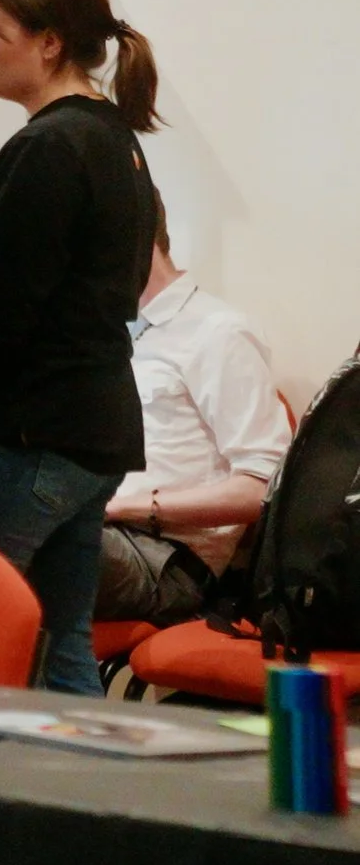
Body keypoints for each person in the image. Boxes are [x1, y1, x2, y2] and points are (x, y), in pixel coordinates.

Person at [0, 0, 159, 695]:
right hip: (87, 429)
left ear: (49, 42)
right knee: (61, 649)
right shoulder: (112, 138)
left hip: (25, 434)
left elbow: (2, 310)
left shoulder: (52, 146)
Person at [95, 190, 289, 626]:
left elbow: (265, 488)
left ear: (135, 237)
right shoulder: (110, 333)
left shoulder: (219, 332)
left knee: (2, 532)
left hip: (164, 559)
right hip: (98, 533)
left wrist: (122, 505)